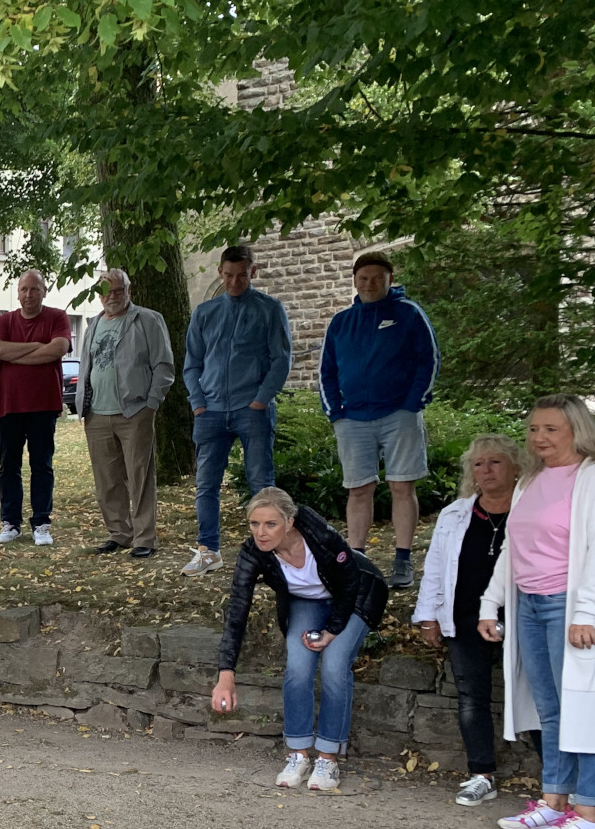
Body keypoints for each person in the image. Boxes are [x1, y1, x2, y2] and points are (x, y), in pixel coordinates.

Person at [211, 487, 388, 793]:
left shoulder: (318, 534)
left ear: (289, 522)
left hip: (356, 595)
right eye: (254, 524)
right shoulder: (253, 552)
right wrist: (226, 674)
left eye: (270, 524)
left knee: (334, 665)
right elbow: (238, 609)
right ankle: (298, 754)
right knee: (298, 666)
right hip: (307, 601)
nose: (261, 533)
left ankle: (328, 758)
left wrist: (332, 631)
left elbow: (350, 580)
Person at [478, 395, 595, 829]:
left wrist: (586, 612)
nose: (539, 437)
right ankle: (554, 800)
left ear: (576, 431)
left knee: (582, 707)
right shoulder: (530, 480)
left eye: (551, 429)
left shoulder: (589, 477)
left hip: (568, 605)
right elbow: (513, 548)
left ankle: (589, 810)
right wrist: (491, 603)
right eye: (533, 429)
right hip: (527, 604)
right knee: (550, 708)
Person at [319, 251, 441, 589]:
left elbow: (428, 359)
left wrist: (413, 403)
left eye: (377, 278)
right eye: (363, 278)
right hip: (352, 419)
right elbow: (326, 370)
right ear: (355, 281)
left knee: (402, 486)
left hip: (399, 415)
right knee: (359, 489)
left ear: (390, 279)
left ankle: (403, 559)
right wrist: (335, 412)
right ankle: (356, 561)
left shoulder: (408, 314)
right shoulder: (341, 322)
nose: (369, 284)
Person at [412, 434, 523, 806]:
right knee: (472, 698)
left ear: (516, 467)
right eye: (478, 464)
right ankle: (481, 775)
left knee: (536, 695)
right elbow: (435, 568)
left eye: (495, 462)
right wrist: (428, 617)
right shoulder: (456, 513)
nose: (486, 470)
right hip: (463, 617)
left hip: (522, 616)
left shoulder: (529, 509)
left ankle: (560, 782)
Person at [182, 245, 293, 575]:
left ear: (253, 272)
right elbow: (192, 363)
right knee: (206, 485)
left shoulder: (269, 309)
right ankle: (208, 550)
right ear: (220, 272)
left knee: (261, 484)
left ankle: (268, 555)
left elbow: (281, 359)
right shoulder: (205, 313)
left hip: (252, 409)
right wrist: (198, 403)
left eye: (242, 275)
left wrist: (261, 399)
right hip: (210, 411)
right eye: (228, 275)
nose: (234, 282)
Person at [77, 269, 175, 560]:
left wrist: (151, 403)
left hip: (134, 412)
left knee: (140, 477)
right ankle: (119, 534)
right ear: (99, 295)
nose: (112, 296)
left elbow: (163, 365)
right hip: (96, 414)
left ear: (128, 291)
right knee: (107, 480)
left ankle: (145, 537)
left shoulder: (148, 320)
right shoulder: (93, 324)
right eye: (106, 291)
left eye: (118, 290)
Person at [0, 269, 72, 546]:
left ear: (44, 291)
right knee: (8, 466)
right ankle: (11, 522)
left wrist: (17, 353)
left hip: (43, 405)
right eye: (24, 289)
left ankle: (41, 523)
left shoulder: (57, 317)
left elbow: (58, 348)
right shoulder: (4, 321)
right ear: (18, 293)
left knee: (42, 465)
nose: (29, 295)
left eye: (34, 289)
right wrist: (37, 347)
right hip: (9, 406)